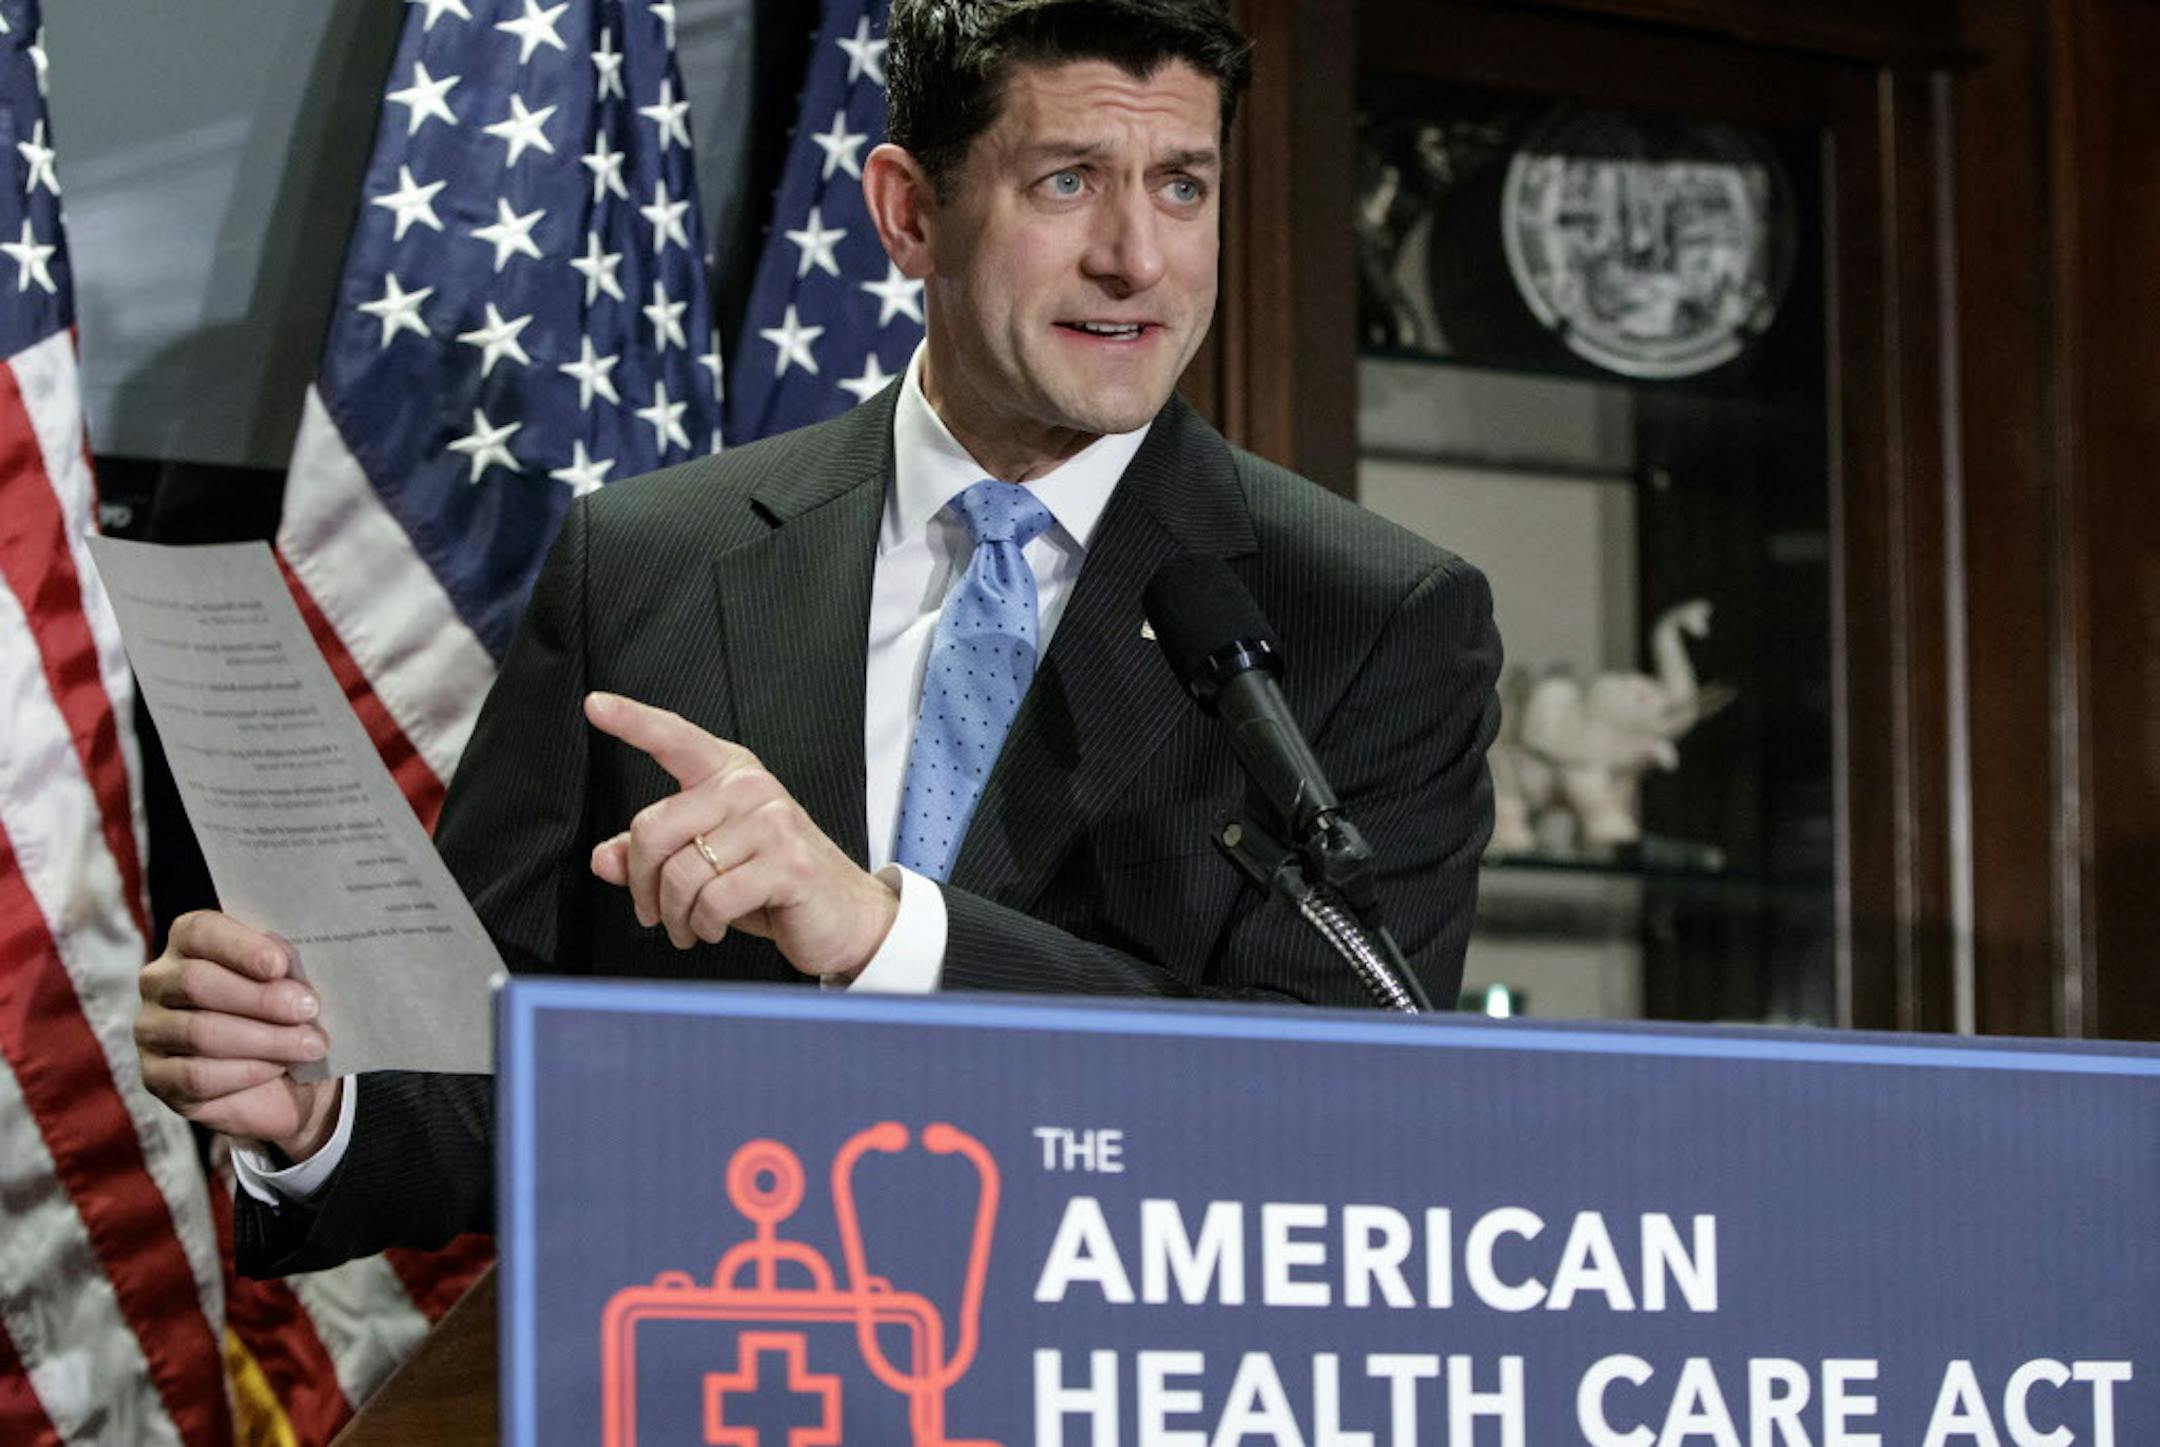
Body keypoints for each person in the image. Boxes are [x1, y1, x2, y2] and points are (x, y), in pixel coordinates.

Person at [133, 0, 1501, 1275]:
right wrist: (320, 1118)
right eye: (1068, 181)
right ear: (910, 213)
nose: (1137, 258)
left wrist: (885, 936)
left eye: (1183, 187)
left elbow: (1342, 1114)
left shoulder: (1370, 619)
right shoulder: (651, 560)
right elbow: (497, 1059)